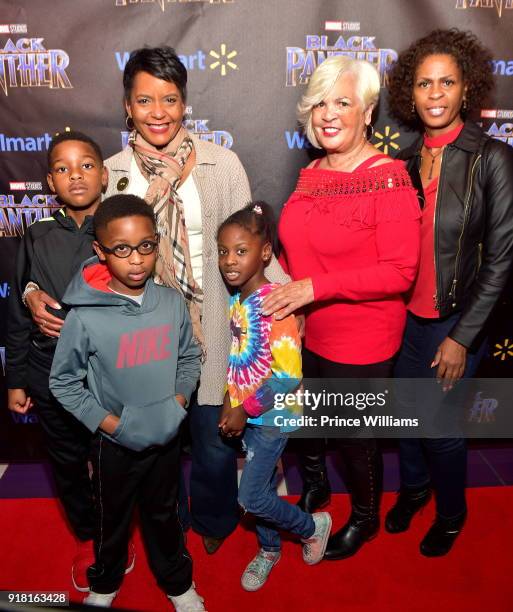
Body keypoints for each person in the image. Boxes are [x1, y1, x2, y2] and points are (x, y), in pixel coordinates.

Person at [26, 45, 289, 555]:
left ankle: (213, 523)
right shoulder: (110, 172)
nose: (158, 112)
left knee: (213, 445)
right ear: (127, 106)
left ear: (184, 102)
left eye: (169, 99)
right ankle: (172, 526)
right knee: (157, 447)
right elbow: (83, 249)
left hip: (213, 324)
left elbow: (251, 244)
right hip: (143, 334)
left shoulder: (221, 163)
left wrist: (285, 297)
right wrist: (33, 289)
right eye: (145, 101)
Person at [261, 55, 421, 560]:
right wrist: (282, 292)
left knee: (353, 434)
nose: (329, 114)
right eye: (321, 103)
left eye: (344, 103)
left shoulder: (389, 178)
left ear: (368, 113)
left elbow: (400, 271)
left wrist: (313, 288)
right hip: (305, 326)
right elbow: (297, 249)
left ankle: (367, 517)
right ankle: (315, 489)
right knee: (305, 417)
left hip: (362, 334)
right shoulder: (312, 172)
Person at [385, 28, 513, 556]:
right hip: (404, 318)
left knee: (440, 426)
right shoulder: (407, 162)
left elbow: (503, 258)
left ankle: (453, 511)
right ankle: (415, 488)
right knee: (406, 418)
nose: (435, 94)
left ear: (466, 89)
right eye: (424, 84)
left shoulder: (493, 159)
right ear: (409, 95)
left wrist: (461, 337)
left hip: (456, 320)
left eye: (447, 82)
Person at [49, 195, 205, 610]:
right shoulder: (83, 315)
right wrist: (110, 425)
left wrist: (178, 401)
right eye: (121, 249)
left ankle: (178, 585)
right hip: (113, 446)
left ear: (157, 243)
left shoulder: (171, 303)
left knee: (165, 517)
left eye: (146, 246)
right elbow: (63, 381)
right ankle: (105, 583)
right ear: (100, 251)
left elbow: (189, 357)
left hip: (166, 440)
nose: (135, 259)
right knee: (111, 521)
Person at [4, 130, 119, 592]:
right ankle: (88, 536)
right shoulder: (36, 234)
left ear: (105, 174)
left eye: (87, 165)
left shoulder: (121, 230)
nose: (76, 175)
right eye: (64, 168)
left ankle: (114, 536)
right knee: (68, 465)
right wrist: (15, 380)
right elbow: (16, 308)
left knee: (113, 462)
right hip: (49, 375)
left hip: (110, 376)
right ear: (51, 181)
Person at [217, 202, 331, 591]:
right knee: (262, 490)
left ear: (265, 252)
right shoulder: (238, 299)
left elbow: (286, 377)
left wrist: (243, 409)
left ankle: (311, 526)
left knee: (249, 498)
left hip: (273, 416)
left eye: (241, 251)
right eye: (223, 251)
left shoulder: (276, 306)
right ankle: (269, 549)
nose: (230, 261)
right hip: (249, 413)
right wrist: (229, 399)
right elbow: (239, 358)